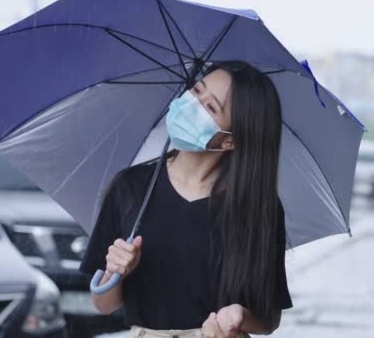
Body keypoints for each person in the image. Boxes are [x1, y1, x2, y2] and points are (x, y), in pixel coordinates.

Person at [78, 60, 293, 338]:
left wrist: (239, 316)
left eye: (210, 107)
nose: (193, 103)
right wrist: (116, 270)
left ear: (230, 140)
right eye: (196, 90)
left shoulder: (258, 210)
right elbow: (103, 304)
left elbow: (268, 320)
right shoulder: (130, 187)